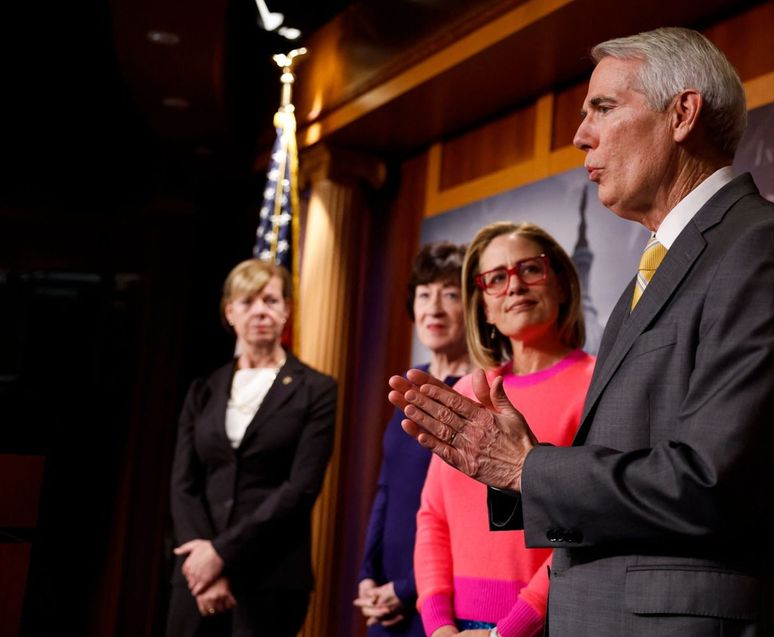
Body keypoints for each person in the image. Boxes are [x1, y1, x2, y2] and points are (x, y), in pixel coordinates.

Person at [390, 27, 774, 637]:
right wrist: (515, 467)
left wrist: (527, 469)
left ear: (683, 113)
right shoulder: (655, 270)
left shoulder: (766, 248)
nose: (581, 134)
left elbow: (716, 481)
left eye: (602, 108)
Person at [414, 222, 595, 637]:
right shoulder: (464, 391)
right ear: (483, 307)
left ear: (562, 284)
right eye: (496, 278)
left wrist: (510, 629)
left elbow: (588, 525)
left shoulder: (598, 384)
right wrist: (439, 625)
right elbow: (432, 517)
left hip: (546, 624)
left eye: (530, 269)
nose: (514, 286)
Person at [167, 258, 337, 637]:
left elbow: (301, 488)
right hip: (197, 579)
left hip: (271, 577)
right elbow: (184, 484)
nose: (261, 310)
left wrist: (222, 554)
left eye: (271, 300)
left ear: (287, 310)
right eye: (248, 301)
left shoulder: (317, 390)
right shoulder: (203, 390)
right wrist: (204, 563)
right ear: (230, 312)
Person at [354, 242, 472, 635]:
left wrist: (406, 589)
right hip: (384, 600)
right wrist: (367, 575)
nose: (433, 308)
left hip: (439, 602)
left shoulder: (476, 393)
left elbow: (467, 518)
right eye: (424, 294)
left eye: (450, 294)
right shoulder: (408, 383)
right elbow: (386, 489)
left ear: (473, 306)